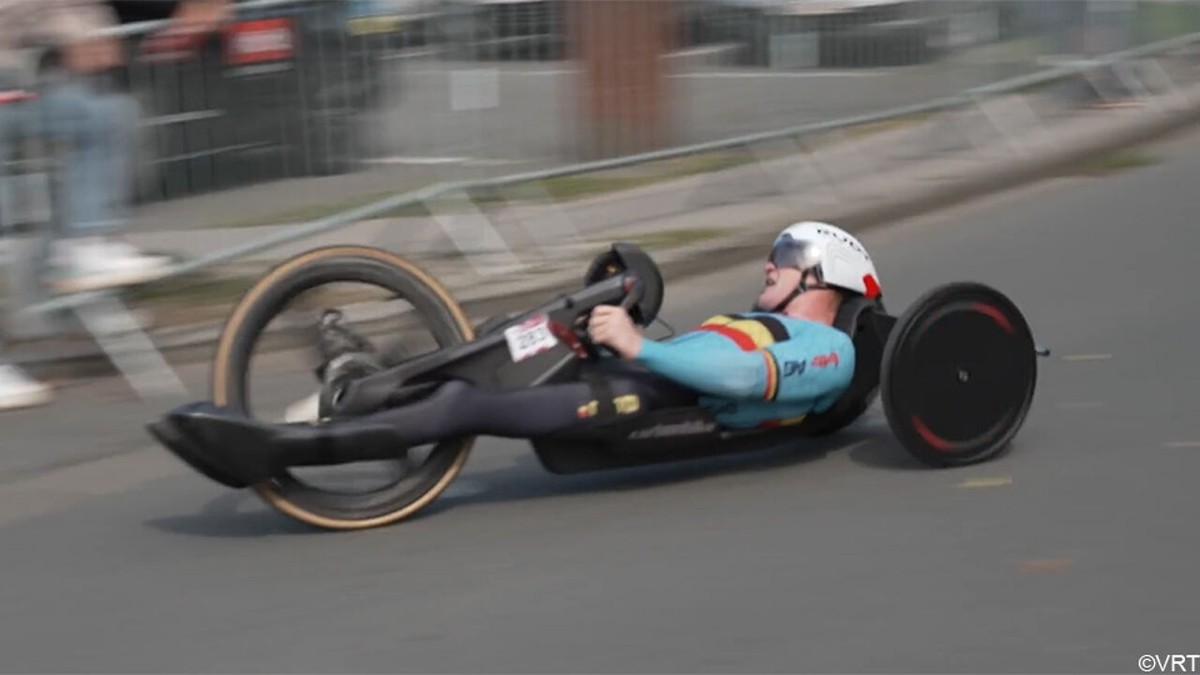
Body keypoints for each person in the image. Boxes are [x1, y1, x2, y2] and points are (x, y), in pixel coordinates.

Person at [170, 222, 882, 472]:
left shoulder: (828, 350)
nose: (770, 261)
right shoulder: (777, 319)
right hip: (635, 365)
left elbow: (739, 372)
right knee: (504, 336)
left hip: (648, 400)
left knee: (465, 402)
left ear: (827, 274)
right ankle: (357, 377)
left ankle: (278, 448)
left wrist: (639, 344)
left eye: (786, 253)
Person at [0, 0, 231, 411]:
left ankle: (79, 255)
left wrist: (89, 30)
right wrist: (78, 33)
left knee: (105, 114)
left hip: (18, 77)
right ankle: (73, 262)